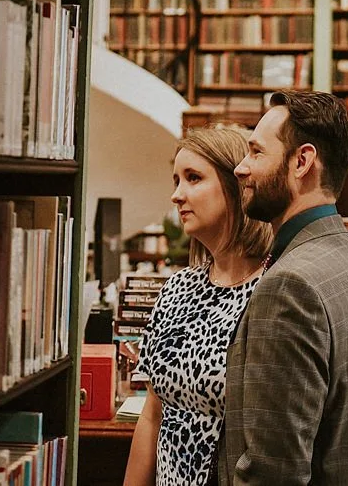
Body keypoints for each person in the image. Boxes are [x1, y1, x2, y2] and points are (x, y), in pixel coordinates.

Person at [219, 90, 348, 486]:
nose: (240, 168)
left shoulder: (290, 286)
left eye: (256, 152)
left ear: (301, 161)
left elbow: (274, 472)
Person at [124, 125, 273, 486]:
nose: (177, 195)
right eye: (176, 180)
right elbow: (152, 415)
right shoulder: (177, 288)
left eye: (193, 178)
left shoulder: (273, 292)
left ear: (237, 184)